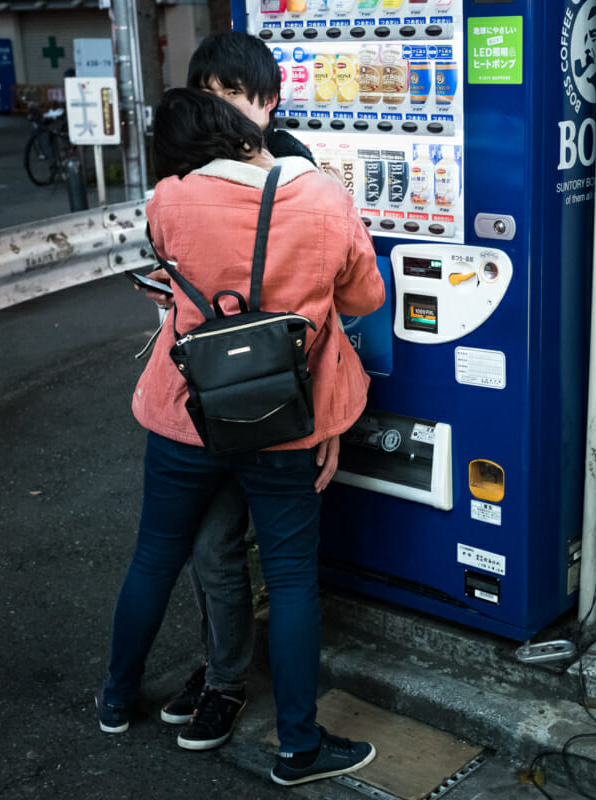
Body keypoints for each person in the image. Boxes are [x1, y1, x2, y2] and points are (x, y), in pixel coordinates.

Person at [97, 88, 384, 788]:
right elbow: (365, 299)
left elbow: (176, 278)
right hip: (286, 418)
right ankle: (299, 748)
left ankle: (114, 700)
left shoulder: (168, 199)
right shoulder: (323, 199)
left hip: (188, 412)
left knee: (155, 557)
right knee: (290, 582)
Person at [148, 31, 326, 744]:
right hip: (211, 407)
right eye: (206, 90)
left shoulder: (296, 169)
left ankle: (251, 692)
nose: (215, 106)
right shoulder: (185, 178)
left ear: (267, 101)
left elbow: (336, 299)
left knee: (276, 565)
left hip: (281, 400)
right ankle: (223, 673)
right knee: (213, 549)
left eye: (230, 92)